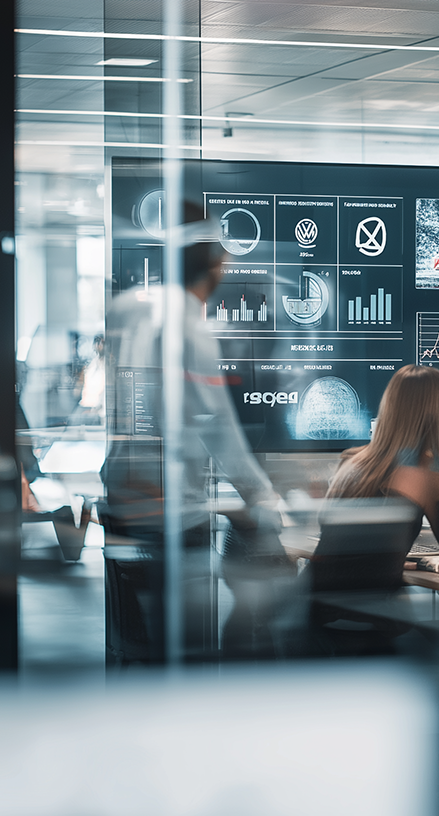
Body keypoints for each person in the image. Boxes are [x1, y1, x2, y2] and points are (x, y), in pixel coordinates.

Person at [101, 202, 280, 664]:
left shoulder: (126, 308)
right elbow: (217, 424)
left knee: (131, 642)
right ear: (213, 265)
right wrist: (260, 496)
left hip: (121, 500)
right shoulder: (188, 327)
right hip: (171, 511)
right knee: (183, 649)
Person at [314, 364, 439, 738]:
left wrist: (398, 556)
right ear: (434, 413)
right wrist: (431, 563)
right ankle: (423, 747)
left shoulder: (351, 461)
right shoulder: (429, 473)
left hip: (317, 618)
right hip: (369, 626)